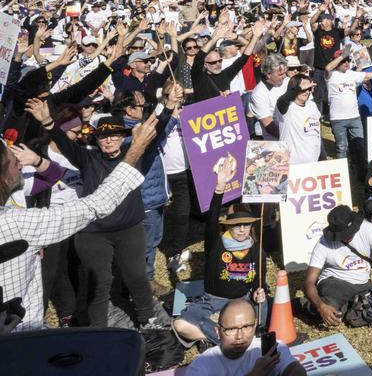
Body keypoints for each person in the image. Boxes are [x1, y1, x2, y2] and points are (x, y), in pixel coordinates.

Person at [0, 113, 159, 331]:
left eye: (114, 135)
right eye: (103, 136)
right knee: (97, 284)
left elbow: (52, 174)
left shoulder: (19, 220)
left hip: (128, 229)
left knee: (136, 276)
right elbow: (97, 203)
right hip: (93, 233)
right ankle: (98, 332)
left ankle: (148, 320)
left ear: (123, 137)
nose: (109, 140)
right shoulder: (89, 159)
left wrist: (166, 107)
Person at [173, 160, 267, 347]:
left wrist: (259, 294)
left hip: (242, 302)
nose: (242, 230)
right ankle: (228, 339)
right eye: (236, 225)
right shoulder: (217, 244)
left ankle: (220, 336)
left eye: (246, 225)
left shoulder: (257, 249)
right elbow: (212, 219)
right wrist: (220, 186)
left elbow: (260, 282)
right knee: (180, 324)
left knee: (260, 317)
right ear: (227, 226)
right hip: (212, 302)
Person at [303, 204, 372, 327]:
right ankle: (310, 305)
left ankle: (352, 307)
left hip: (363, 284)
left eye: (349, 232)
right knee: (328, 312)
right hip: (336, 282)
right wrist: (320, 306)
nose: (347, 236)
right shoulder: (323, 243)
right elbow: (309, 282)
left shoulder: (370, 230)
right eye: (343, 234)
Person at [185, 299, 303, 376]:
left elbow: (296, 370)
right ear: (218, 331)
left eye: (246, 327)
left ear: (255, 325)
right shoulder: (201, 365)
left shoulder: (271, 349)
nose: (239, 336)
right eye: (231, 329)